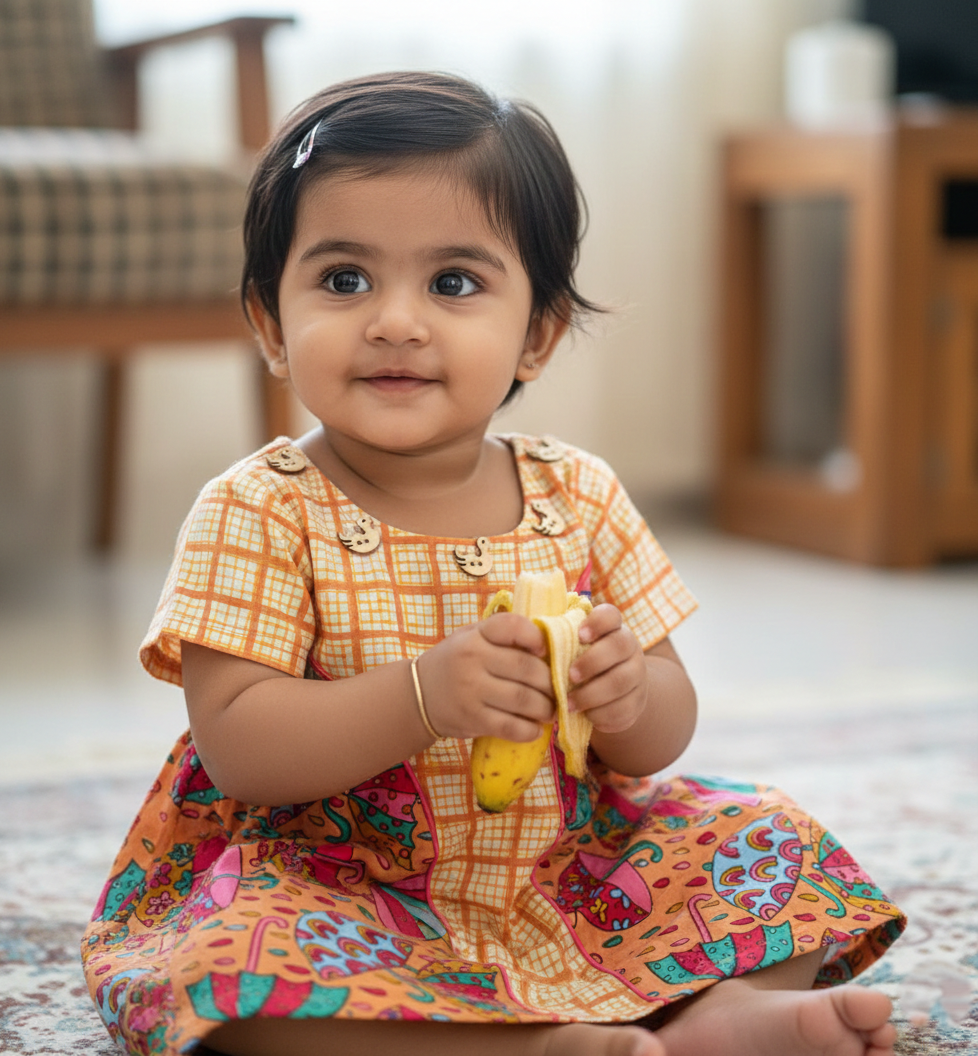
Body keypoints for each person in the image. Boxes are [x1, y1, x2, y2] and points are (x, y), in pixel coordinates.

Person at [81, 71, 905, 1056]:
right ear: (268, 322)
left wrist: (626, 692)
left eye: (453, 282)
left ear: (537, 335)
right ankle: (513, 1050)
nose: (395, 321)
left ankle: (710, 1018)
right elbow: (242, 749)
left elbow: (661, 731)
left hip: (560, 868)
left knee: (766, 838)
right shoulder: (259, 509)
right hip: (336, 888)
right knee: (225, 972)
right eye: (343, 279)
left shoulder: (578, 492)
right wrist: (423, 696)